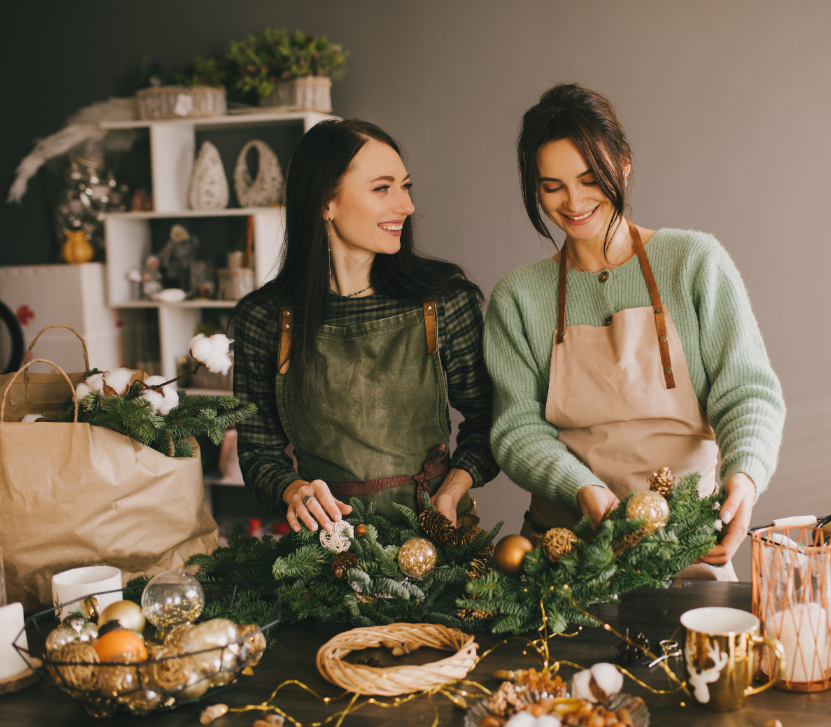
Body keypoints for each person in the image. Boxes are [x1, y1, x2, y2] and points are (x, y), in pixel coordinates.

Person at [484, 84, 785, 579]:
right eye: (552, 185)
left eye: (589, 178)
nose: (574, 201)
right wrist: (585, 489)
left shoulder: (693, 262)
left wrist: (745, 477)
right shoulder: (519, 298)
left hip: (684, 548)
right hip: (565, 553)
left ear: (623, 162)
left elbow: (747, 390)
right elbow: (516, 429)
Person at [234, 119, 498, 535]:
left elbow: (488, 420)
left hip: (436, 538)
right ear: (326, 202)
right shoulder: (265, 318)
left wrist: (450, 491)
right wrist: (293, 491)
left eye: (405, 186)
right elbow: (258, 451)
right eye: (382, 188)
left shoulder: (443, 299)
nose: (406, 205)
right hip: (327, 548)